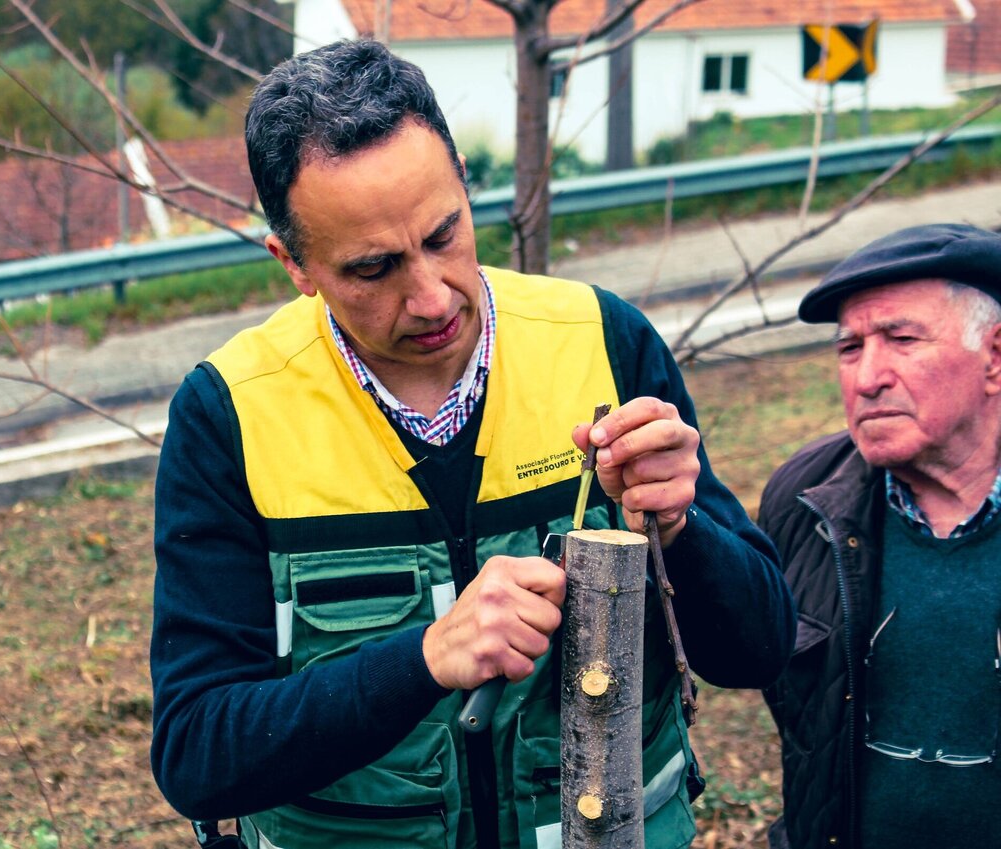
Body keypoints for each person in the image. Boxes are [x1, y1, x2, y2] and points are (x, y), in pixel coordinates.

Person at [151, 38, 795, 849]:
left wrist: (681, 531)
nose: (429, 296)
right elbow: (196, 751)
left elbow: (763, 647)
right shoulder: (231, 413)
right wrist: (422, 657)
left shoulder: (604, 341)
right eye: (373, 268)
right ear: (294, 263)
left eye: (444, 233)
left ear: (463, 179)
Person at [759, 222, 1001, 849]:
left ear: (995, 358)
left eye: (901, 339)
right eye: (849, 348)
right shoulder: (803, 502)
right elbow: (805, 737)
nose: (867, 377)